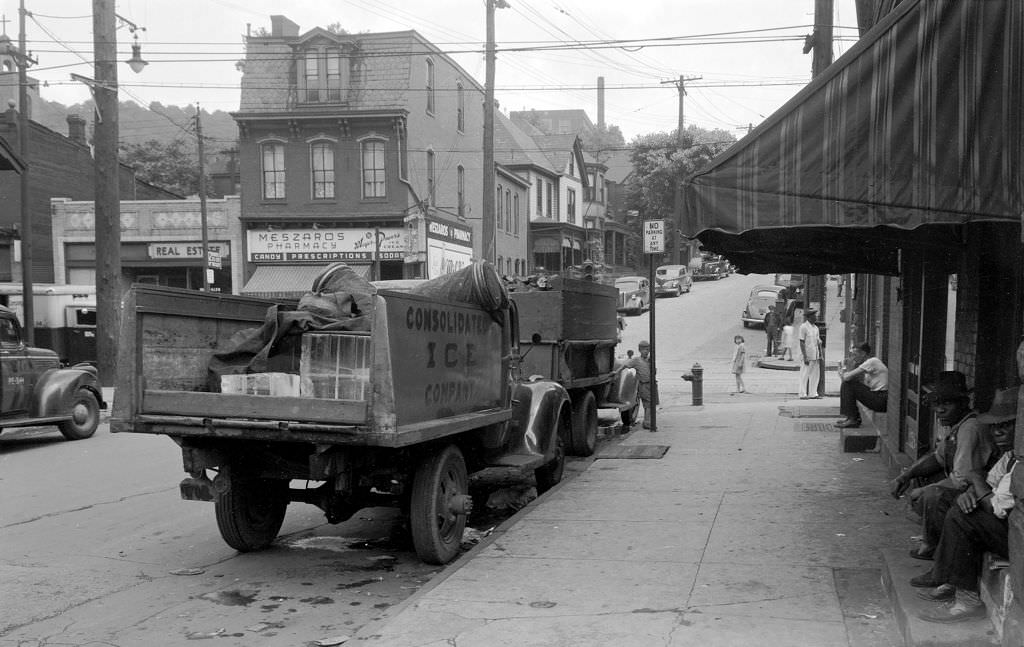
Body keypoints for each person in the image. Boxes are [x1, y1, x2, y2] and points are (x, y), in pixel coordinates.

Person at [911, 386, 1018, 623]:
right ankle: (949, 577)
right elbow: (984, 483)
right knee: (948, 500)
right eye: (996, 427)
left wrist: (975, 482)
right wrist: (970, 492)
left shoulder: (1020, 463)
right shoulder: (1009, 456)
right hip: (1001, 521)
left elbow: (995, 506)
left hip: (1015, 538)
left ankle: (967, 601)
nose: (998, 433)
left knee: (963, 516)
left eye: (1006, 426)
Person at [889, 372, 997, 560]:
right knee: (921, 476)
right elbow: (938, 458)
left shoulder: (970, 428)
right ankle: (931, 540)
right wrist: (906, 475)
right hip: (966, 487)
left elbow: (962, 480)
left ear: (963, 403)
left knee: (931, 495)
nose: (940, 410)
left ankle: (935, 548)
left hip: (979, 496)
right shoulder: (957, 425)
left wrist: (924, 491)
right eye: (937, 404)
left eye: (947, 404)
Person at [835, 343, 888, 428]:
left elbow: (847, 378)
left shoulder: (872, 361)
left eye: (855, 354)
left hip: (881, 399)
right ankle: (850, 417)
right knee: (850, 384)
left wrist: (847, 368)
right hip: (879, 398)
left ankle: (853, 418)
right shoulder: (869, 365)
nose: (854, 357)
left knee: (848, 384)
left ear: (863, 354)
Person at [626, 340, 654, 429]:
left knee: (650, 403)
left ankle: (647, 421)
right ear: (640, 350)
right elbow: (625, 365)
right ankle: (647, 422)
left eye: (648, 349)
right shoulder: (636, 360)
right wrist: (615, 372)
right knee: (648, 403)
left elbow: (654, 372)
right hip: (643, 384)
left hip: (651, 384)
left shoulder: (650, 360)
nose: (646, 351)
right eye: (644, 349)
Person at [797, 309, 822, 399]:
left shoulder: (816, 328)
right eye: (814, 315)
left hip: (815, 355)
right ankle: (802, 394)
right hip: (807, 355)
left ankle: (813, 393)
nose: (816, 317)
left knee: (815, 375)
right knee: (804, 374)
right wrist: (805, 356)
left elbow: (818, 342)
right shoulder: (803, 327)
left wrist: (820, 355)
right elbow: (802, 342)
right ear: (808, 317)